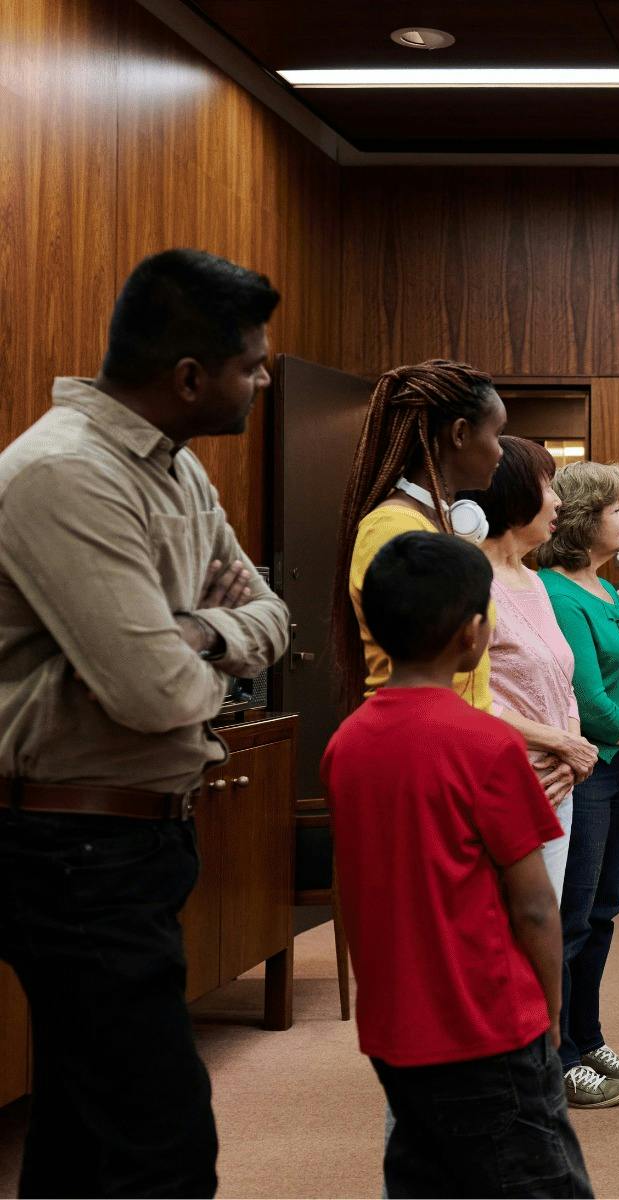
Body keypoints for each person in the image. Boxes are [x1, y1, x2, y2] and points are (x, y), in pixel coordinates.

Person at [0, 248, 291, 1195]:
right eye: (253, 363)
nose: (264, 378)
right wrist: (206, 655)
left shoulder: (177, 471)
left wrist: (194, 632)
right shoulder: (65, 474)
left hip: (139, 837)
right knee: (159, 1149)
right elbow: (152, 695)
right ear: (190, 377)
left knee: (86, 1136)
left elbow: (270, 619)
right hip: (70, 842)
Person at [323, 532, 590, 1199]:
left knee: (424, 1175)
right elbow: (534, 904)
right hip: (490, 1025)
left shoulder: (345, 744)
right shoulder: (488, 745)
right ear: (474, 634)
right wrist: (553, 1013)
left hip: (392, 1026)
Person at [330, 360, 574, 808]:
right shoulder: (395, 528)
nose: (501, 452)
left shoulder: (433, 524)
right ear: (460, 434)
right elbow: (424, 672)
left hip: (456, 751)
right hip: (427, 756)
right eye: (495, 435)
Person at [538, 462, 619, 1109]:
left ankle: (587, 1037)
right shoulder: (555, 592)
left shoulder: (605, 589)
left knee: (603, 913)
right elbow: (588, 702)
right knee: (571, 920)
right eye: (616, 509)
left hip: (618, 768)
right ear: (586, 520)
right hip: (583, 771)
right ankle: (557, 1056)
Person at [461, 437, 600, 903]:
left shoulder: (536, 581)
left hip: (556, 783)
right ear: (513, 493)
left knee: (546, 927)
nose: (558, 500)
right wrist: (561, 743)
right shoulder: (469, 581)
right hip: (504, 785)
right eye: (547, 485)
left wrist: (570, 752)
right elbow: (465, 698)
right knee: (503, 935)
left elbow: (561, 684)